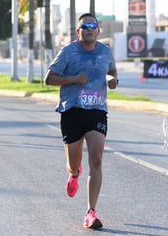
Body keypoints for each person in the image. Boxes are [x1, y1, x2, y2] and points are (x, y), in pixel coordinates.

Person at [44, 13, 118, 230]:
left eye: (92, 25)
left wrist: (112, 80)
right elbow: (49, 78)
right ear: (78, 32)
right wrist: (73, 79)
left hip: (96, 110)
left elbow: (110, 71)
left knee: (96, 159)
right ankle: (74, 174)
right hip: (72, 111)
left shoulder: (105, 52)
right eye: (84, 26)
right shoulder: (68, 52)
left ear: (98, 30)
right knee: (74, 163)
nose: (88, 28)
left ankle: (90, 212)